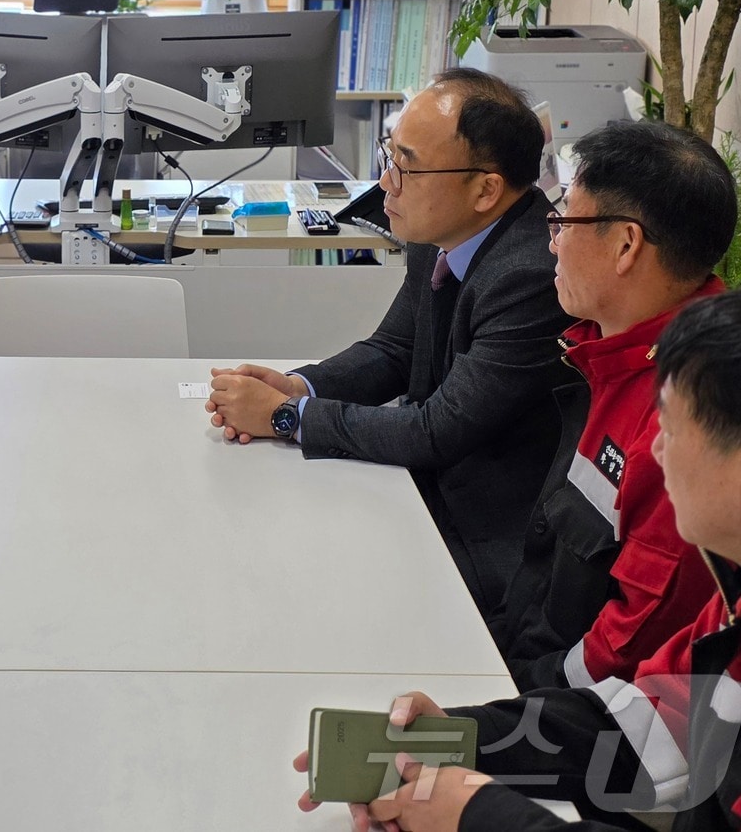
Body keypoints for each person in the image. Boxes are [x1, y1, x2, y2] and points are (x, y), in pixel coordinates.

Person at [293, 290, 741, 832]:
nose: (656, 452)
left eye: (673, 433)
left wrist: (477, 815)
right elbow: (647, 726)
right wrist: (460, 741)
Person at [207, 68, 569, 615]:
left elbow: (436, 430)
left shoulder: (531, 276)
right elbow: (395, 350)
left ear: (485, 189)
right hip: (419, 489)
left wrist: (287, 416)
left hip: (484, 539)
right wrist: (299, 385)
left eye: (409, 167)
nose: (385, 183)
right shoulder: (442, 229)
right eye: (390, 155)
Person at [493, 121, 736, 692]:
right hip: (523, 640)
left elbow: (627, 650)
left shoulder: (687, 417)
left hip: (568, 706)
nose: (552, 241)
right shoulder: (610, 348)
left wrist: (507, 699)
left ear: (626, 245)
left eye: (564, 220)